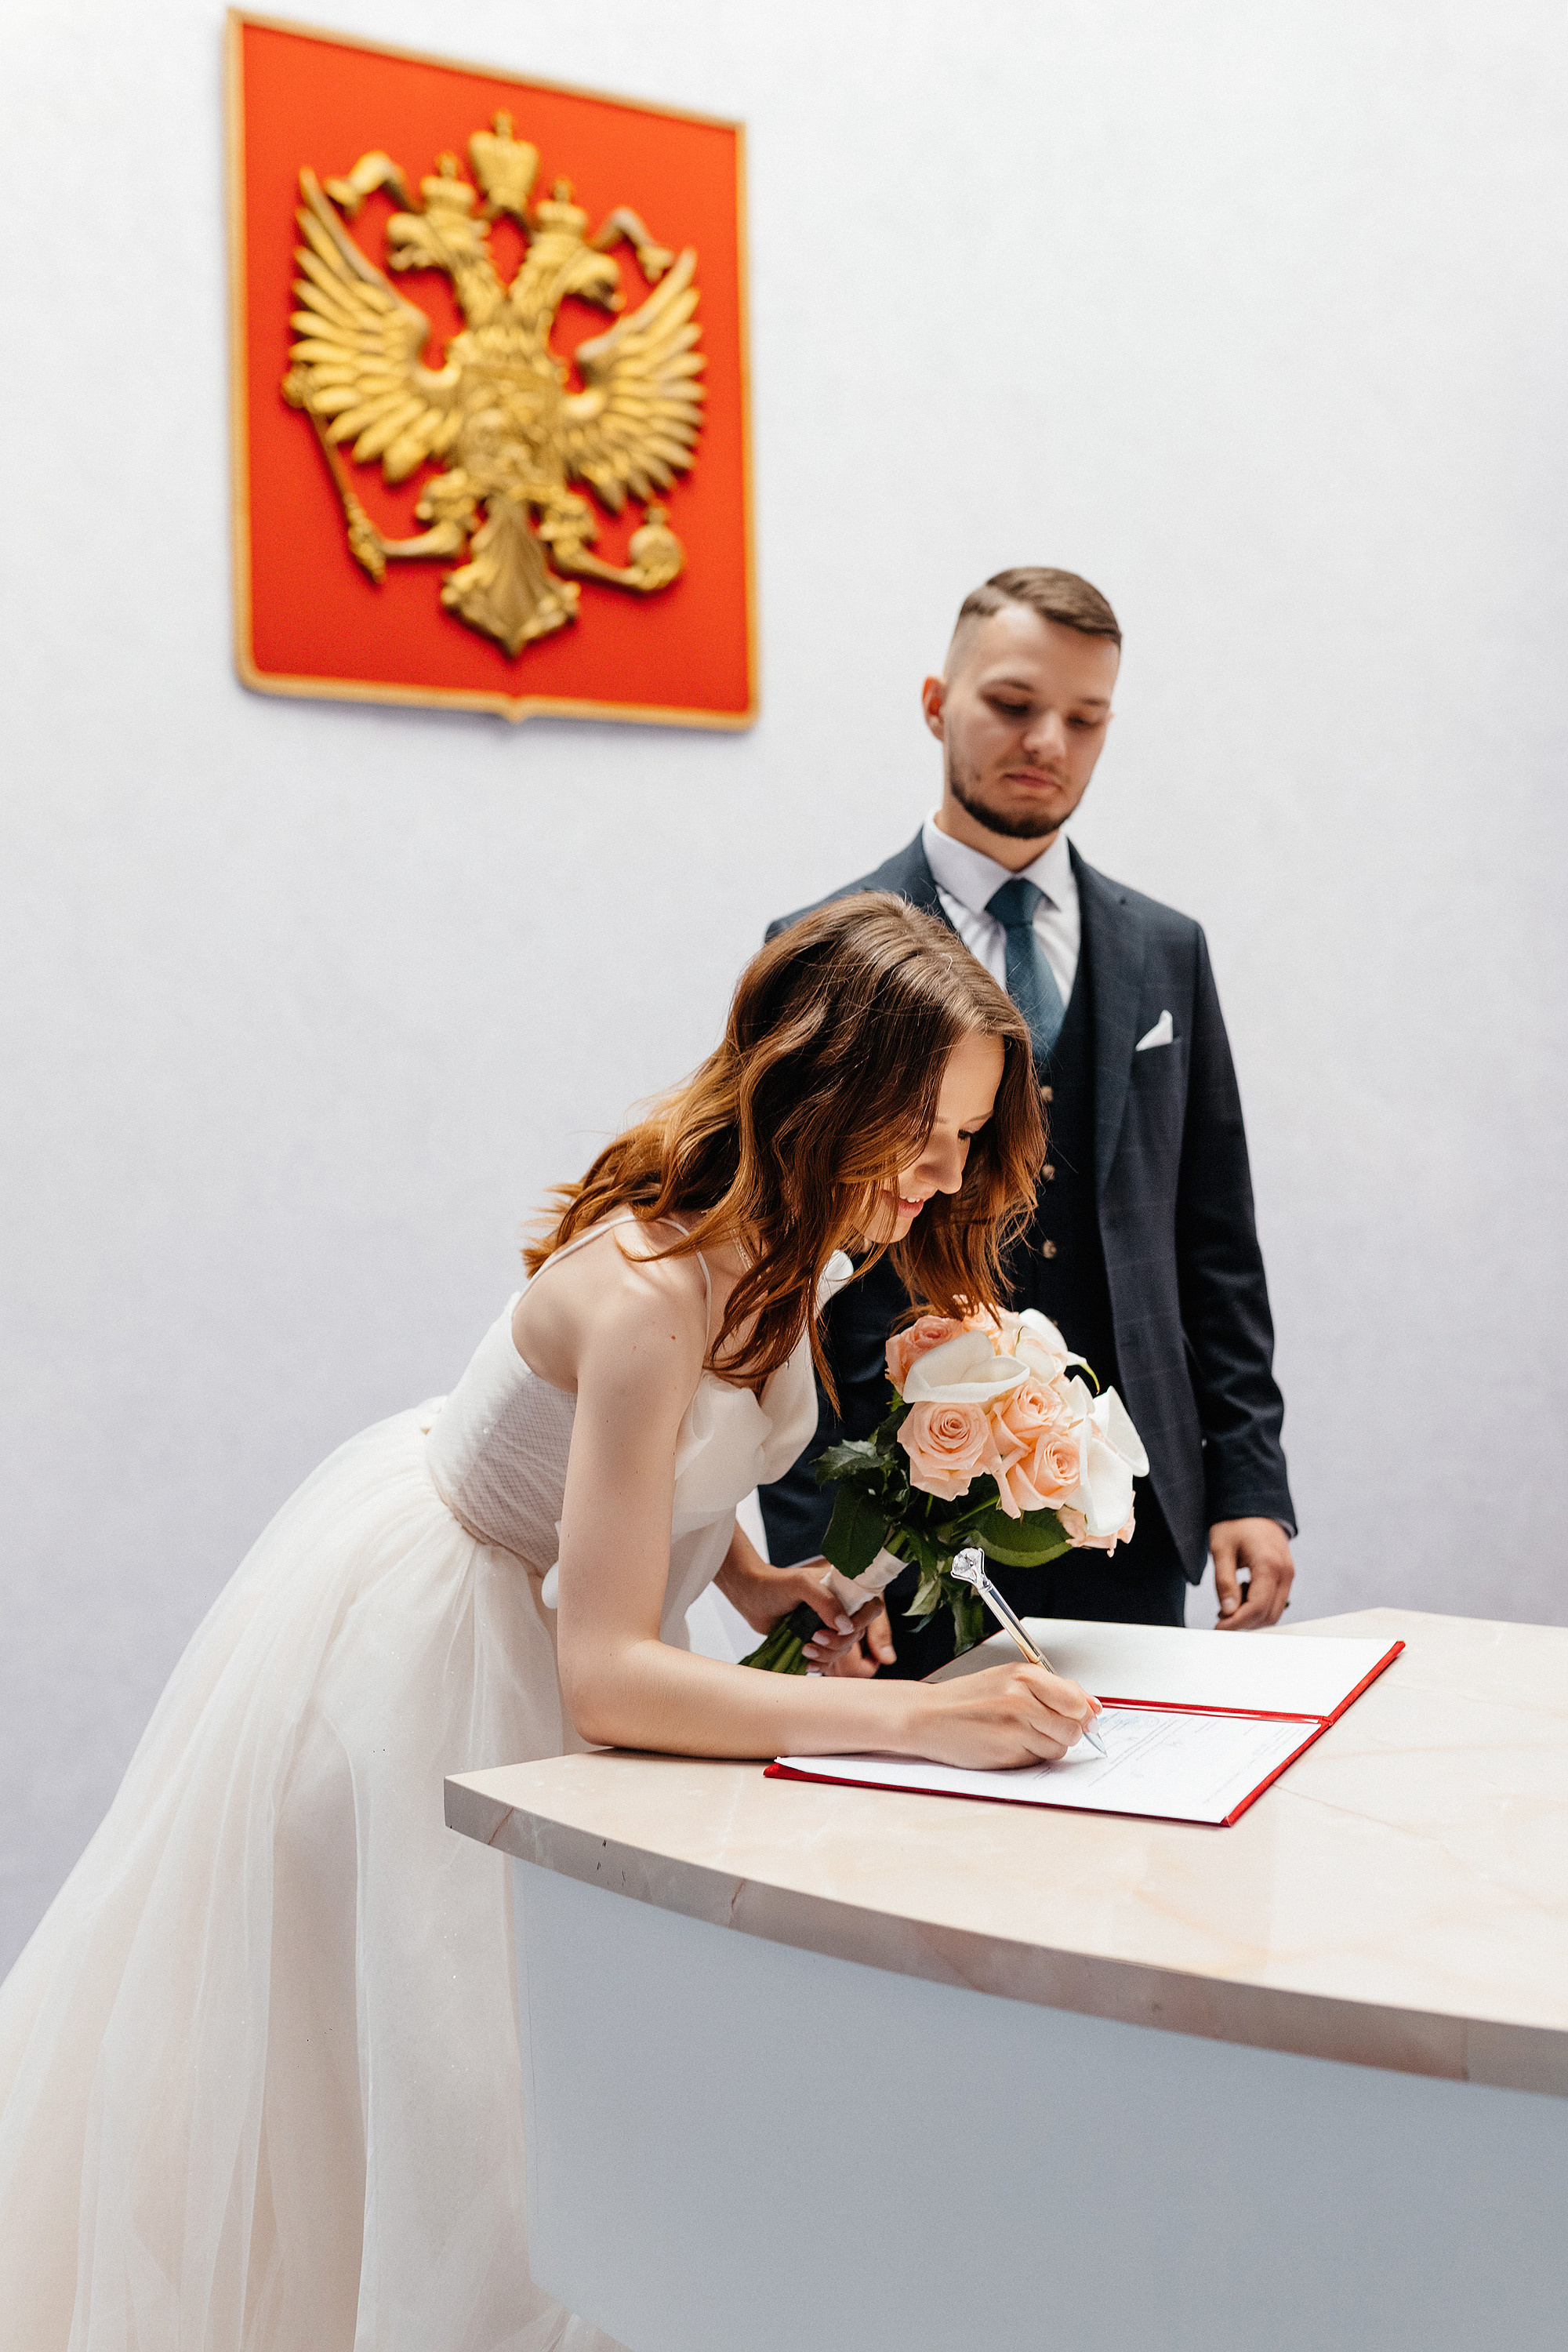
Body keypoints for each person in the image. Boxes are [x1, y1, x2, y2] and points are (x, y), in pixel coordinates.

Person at [0, 896, 1104, 2352]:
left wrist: (752, 1582)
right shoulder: (650, 1292)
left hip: (562, 1615)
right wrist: (922, 1722)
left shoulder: (795, 1234)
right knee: (474, 2137)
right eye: (927, 1130)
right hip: (441, 1663)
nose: (944, 1174)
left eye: (968, 1137)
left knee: (566, 2107)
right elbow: (607, 1682)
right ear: (828, 1090)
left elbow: (671, 1478)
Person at [761, 568, 1298, 1678]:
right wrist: (818, 1550)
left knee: (1130, 1824)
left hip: (1123, 1507)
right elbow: (779, 1266)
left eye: (1085, 717)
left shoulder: (1167, 951)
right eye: (1011, 704)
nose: (1047, 739)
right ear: (934, 703)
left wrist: (1249, 1480)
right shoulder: (821, 947)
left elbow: (1215, 1238)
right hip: (897, 1508)